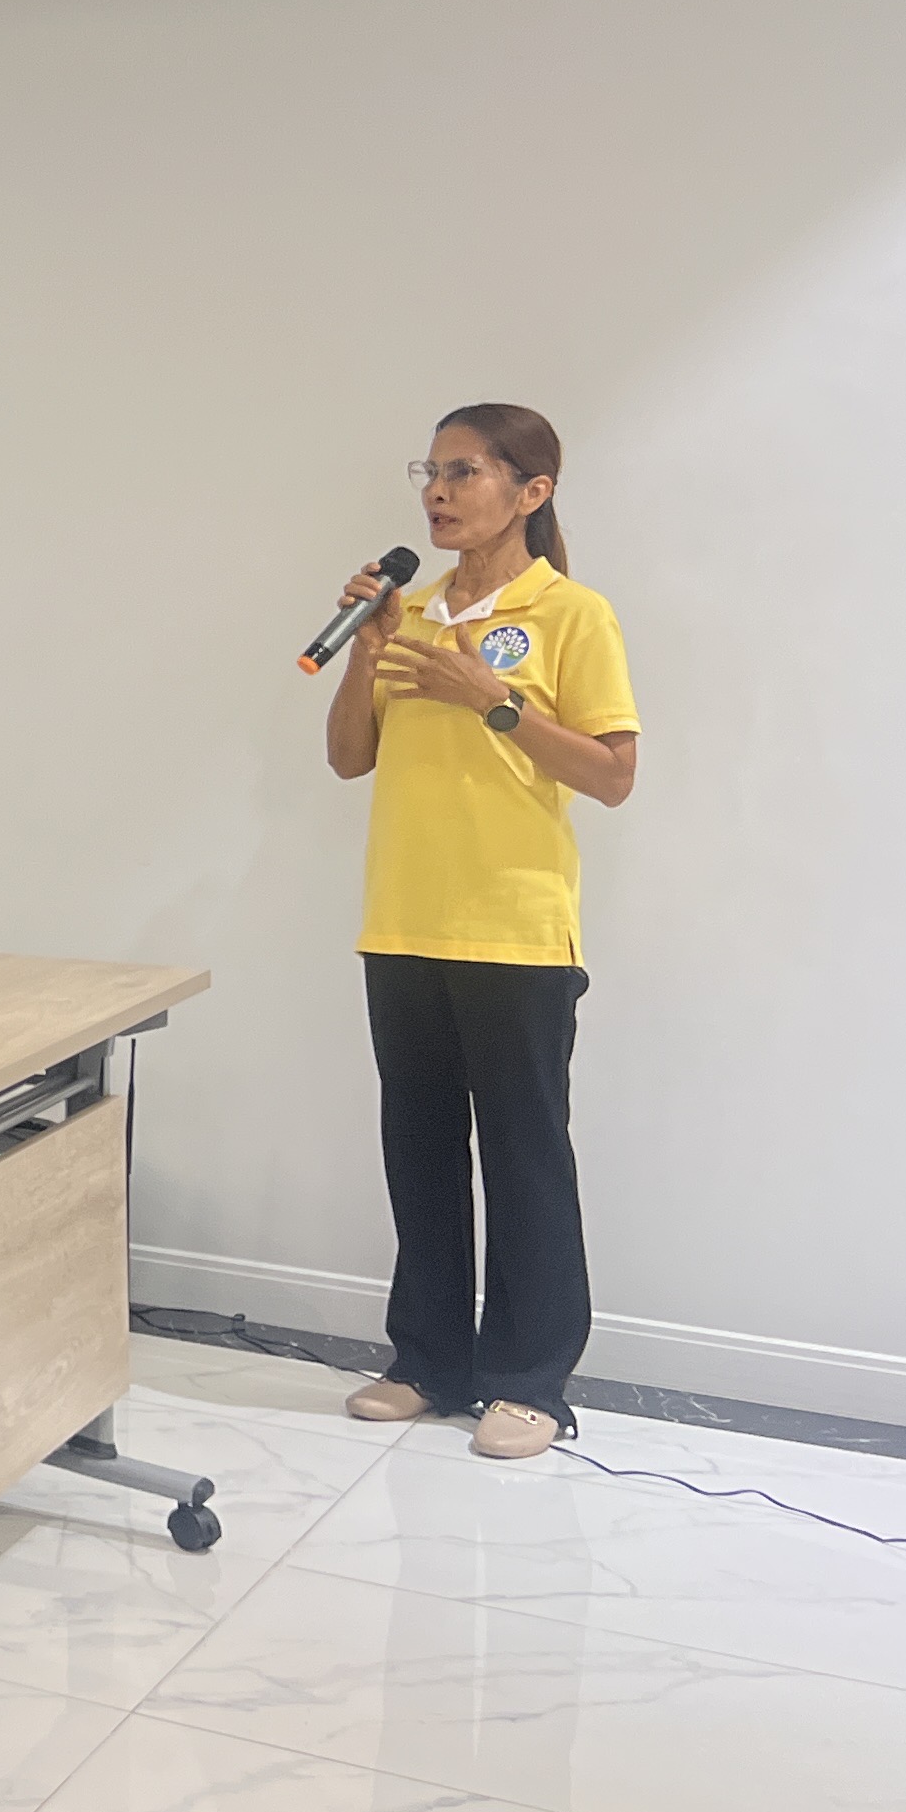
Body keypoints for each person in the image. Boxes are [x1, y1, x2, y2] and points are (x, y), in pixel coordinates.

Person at [324, 403, 638, 1460]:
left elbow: (613, 776)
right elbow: (349, 757)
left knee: (523, 1157)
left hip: (514, 930)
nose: (439, 491)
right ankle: (427, 1362)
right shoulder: (408, 613)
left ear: (532, 491)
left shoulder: (572, 614)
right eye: (431, 470)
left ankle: (530, 1382)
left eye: (464, 472)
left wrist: (492, 700)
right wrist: (371, 646)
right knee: (417, 1151)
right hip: (403, 921)